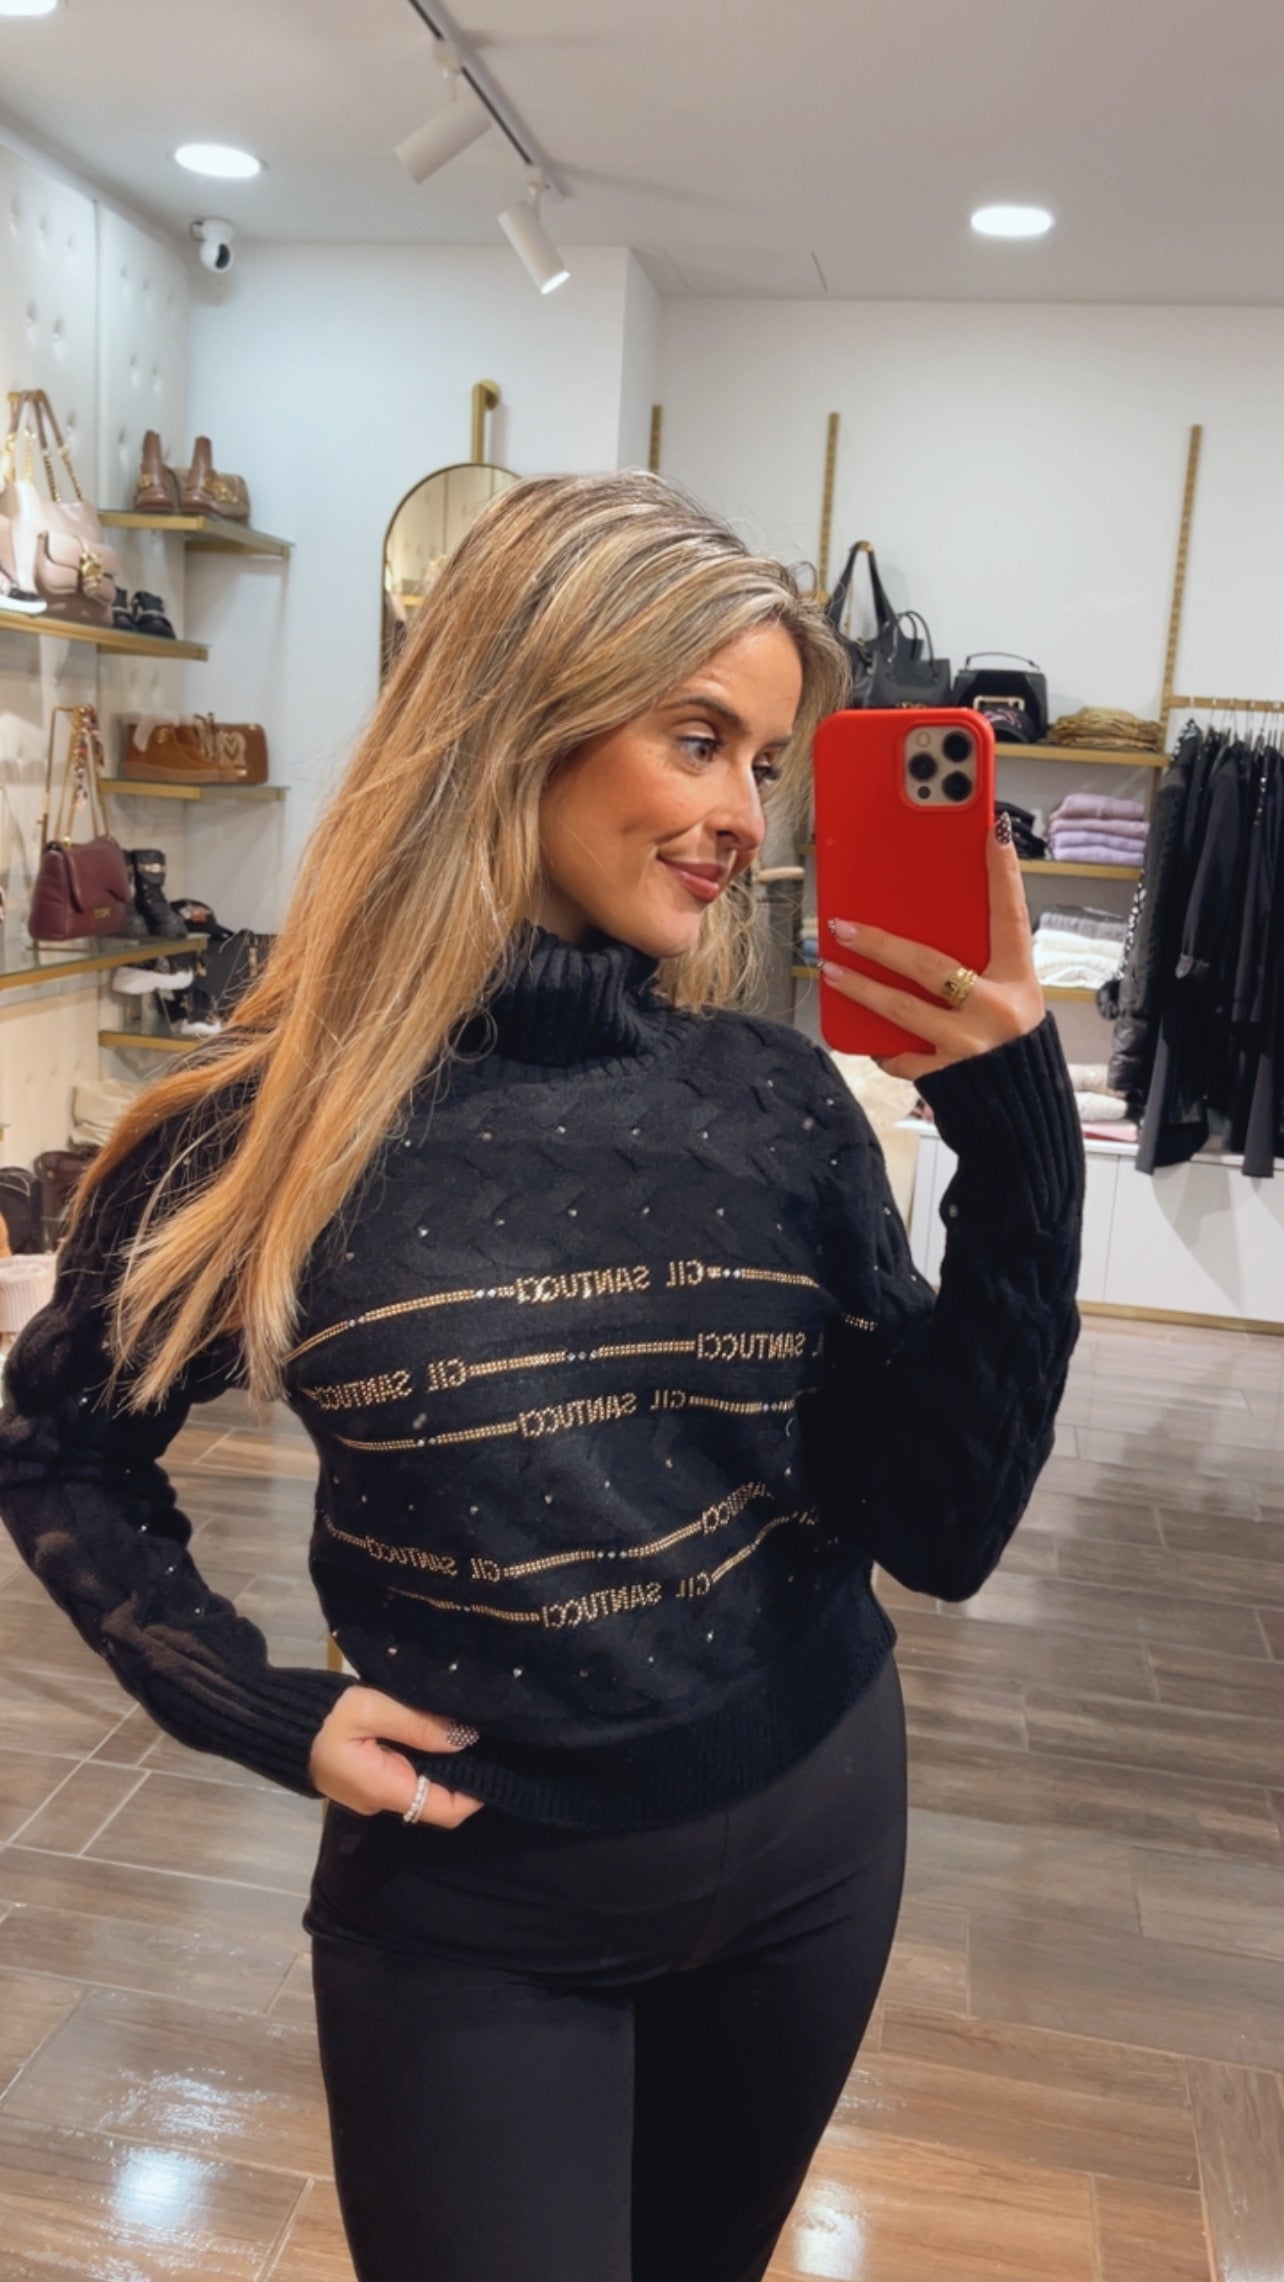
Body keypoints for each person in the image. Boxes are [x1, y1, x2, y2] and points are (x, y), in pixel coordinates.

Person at [0, 472, 1083, 2282]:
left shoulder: (775, 1102)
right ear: (521, 713)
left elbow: (944, 1524)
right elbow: (59, 1449)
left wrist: (1018, 1135)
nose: (742, 816)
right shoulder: (264, 1134)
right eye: (699, 739)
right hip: (476, 1911)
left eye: (765, 764)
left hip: (814, 1840)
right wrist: (255, 1701)